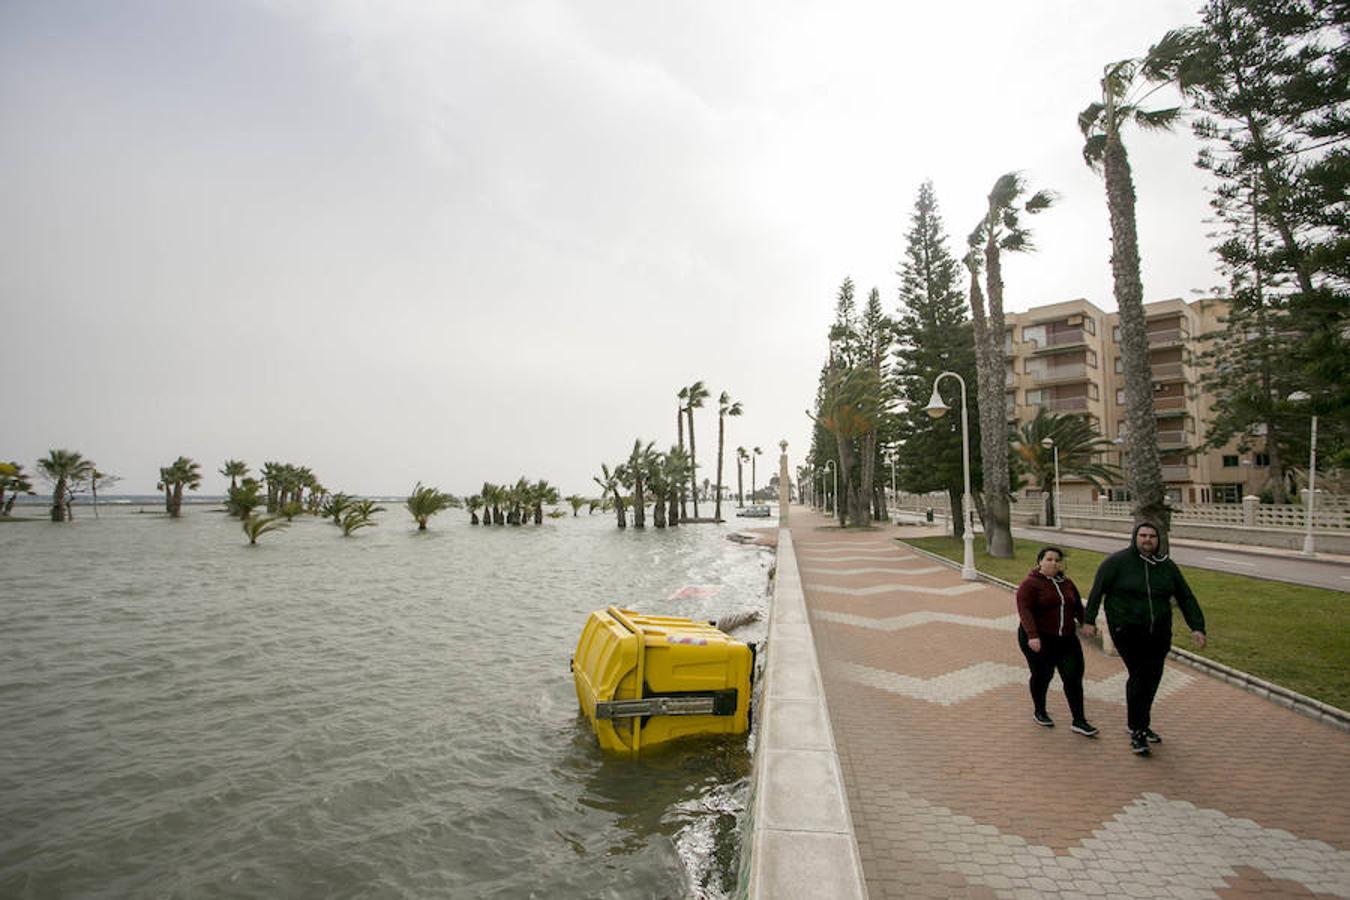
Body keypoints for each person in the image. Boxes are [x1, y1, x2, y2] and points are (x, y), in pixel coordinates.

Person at [1083, 521, 1206, 757]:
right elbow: (1097, 591)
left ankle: (1140, 724)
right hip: (1126, 630)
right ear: (1134, 537)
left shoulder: (1166, 566)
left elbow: (1185, 597)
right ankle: (1137, 731)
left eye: (1152, 536)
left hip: (1159, 632)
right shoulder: (1117, 563)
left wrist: (1197, 627)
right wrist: (1089, 621)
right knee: (1140, 676)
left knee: (1152, 678)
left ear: (1158, 540)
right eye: (1143, 535)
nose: (1147, 539)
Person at [1015, 546, 1098, 737]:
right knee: (1043, 675)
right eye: (1049, 559)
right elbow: (1024, 610)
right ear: (1040, 562)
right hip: (1039, 638)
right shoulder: (1030, 584)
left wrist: (1087, 622)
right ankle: (1040, 711)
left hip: (1066, 639)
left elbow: (1077, 605)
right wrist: (1033, 636)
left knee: (1073, 676)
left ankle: (1079, 720)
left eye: (1057, 560)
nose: (1054, 563)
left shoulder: (1067, 583)